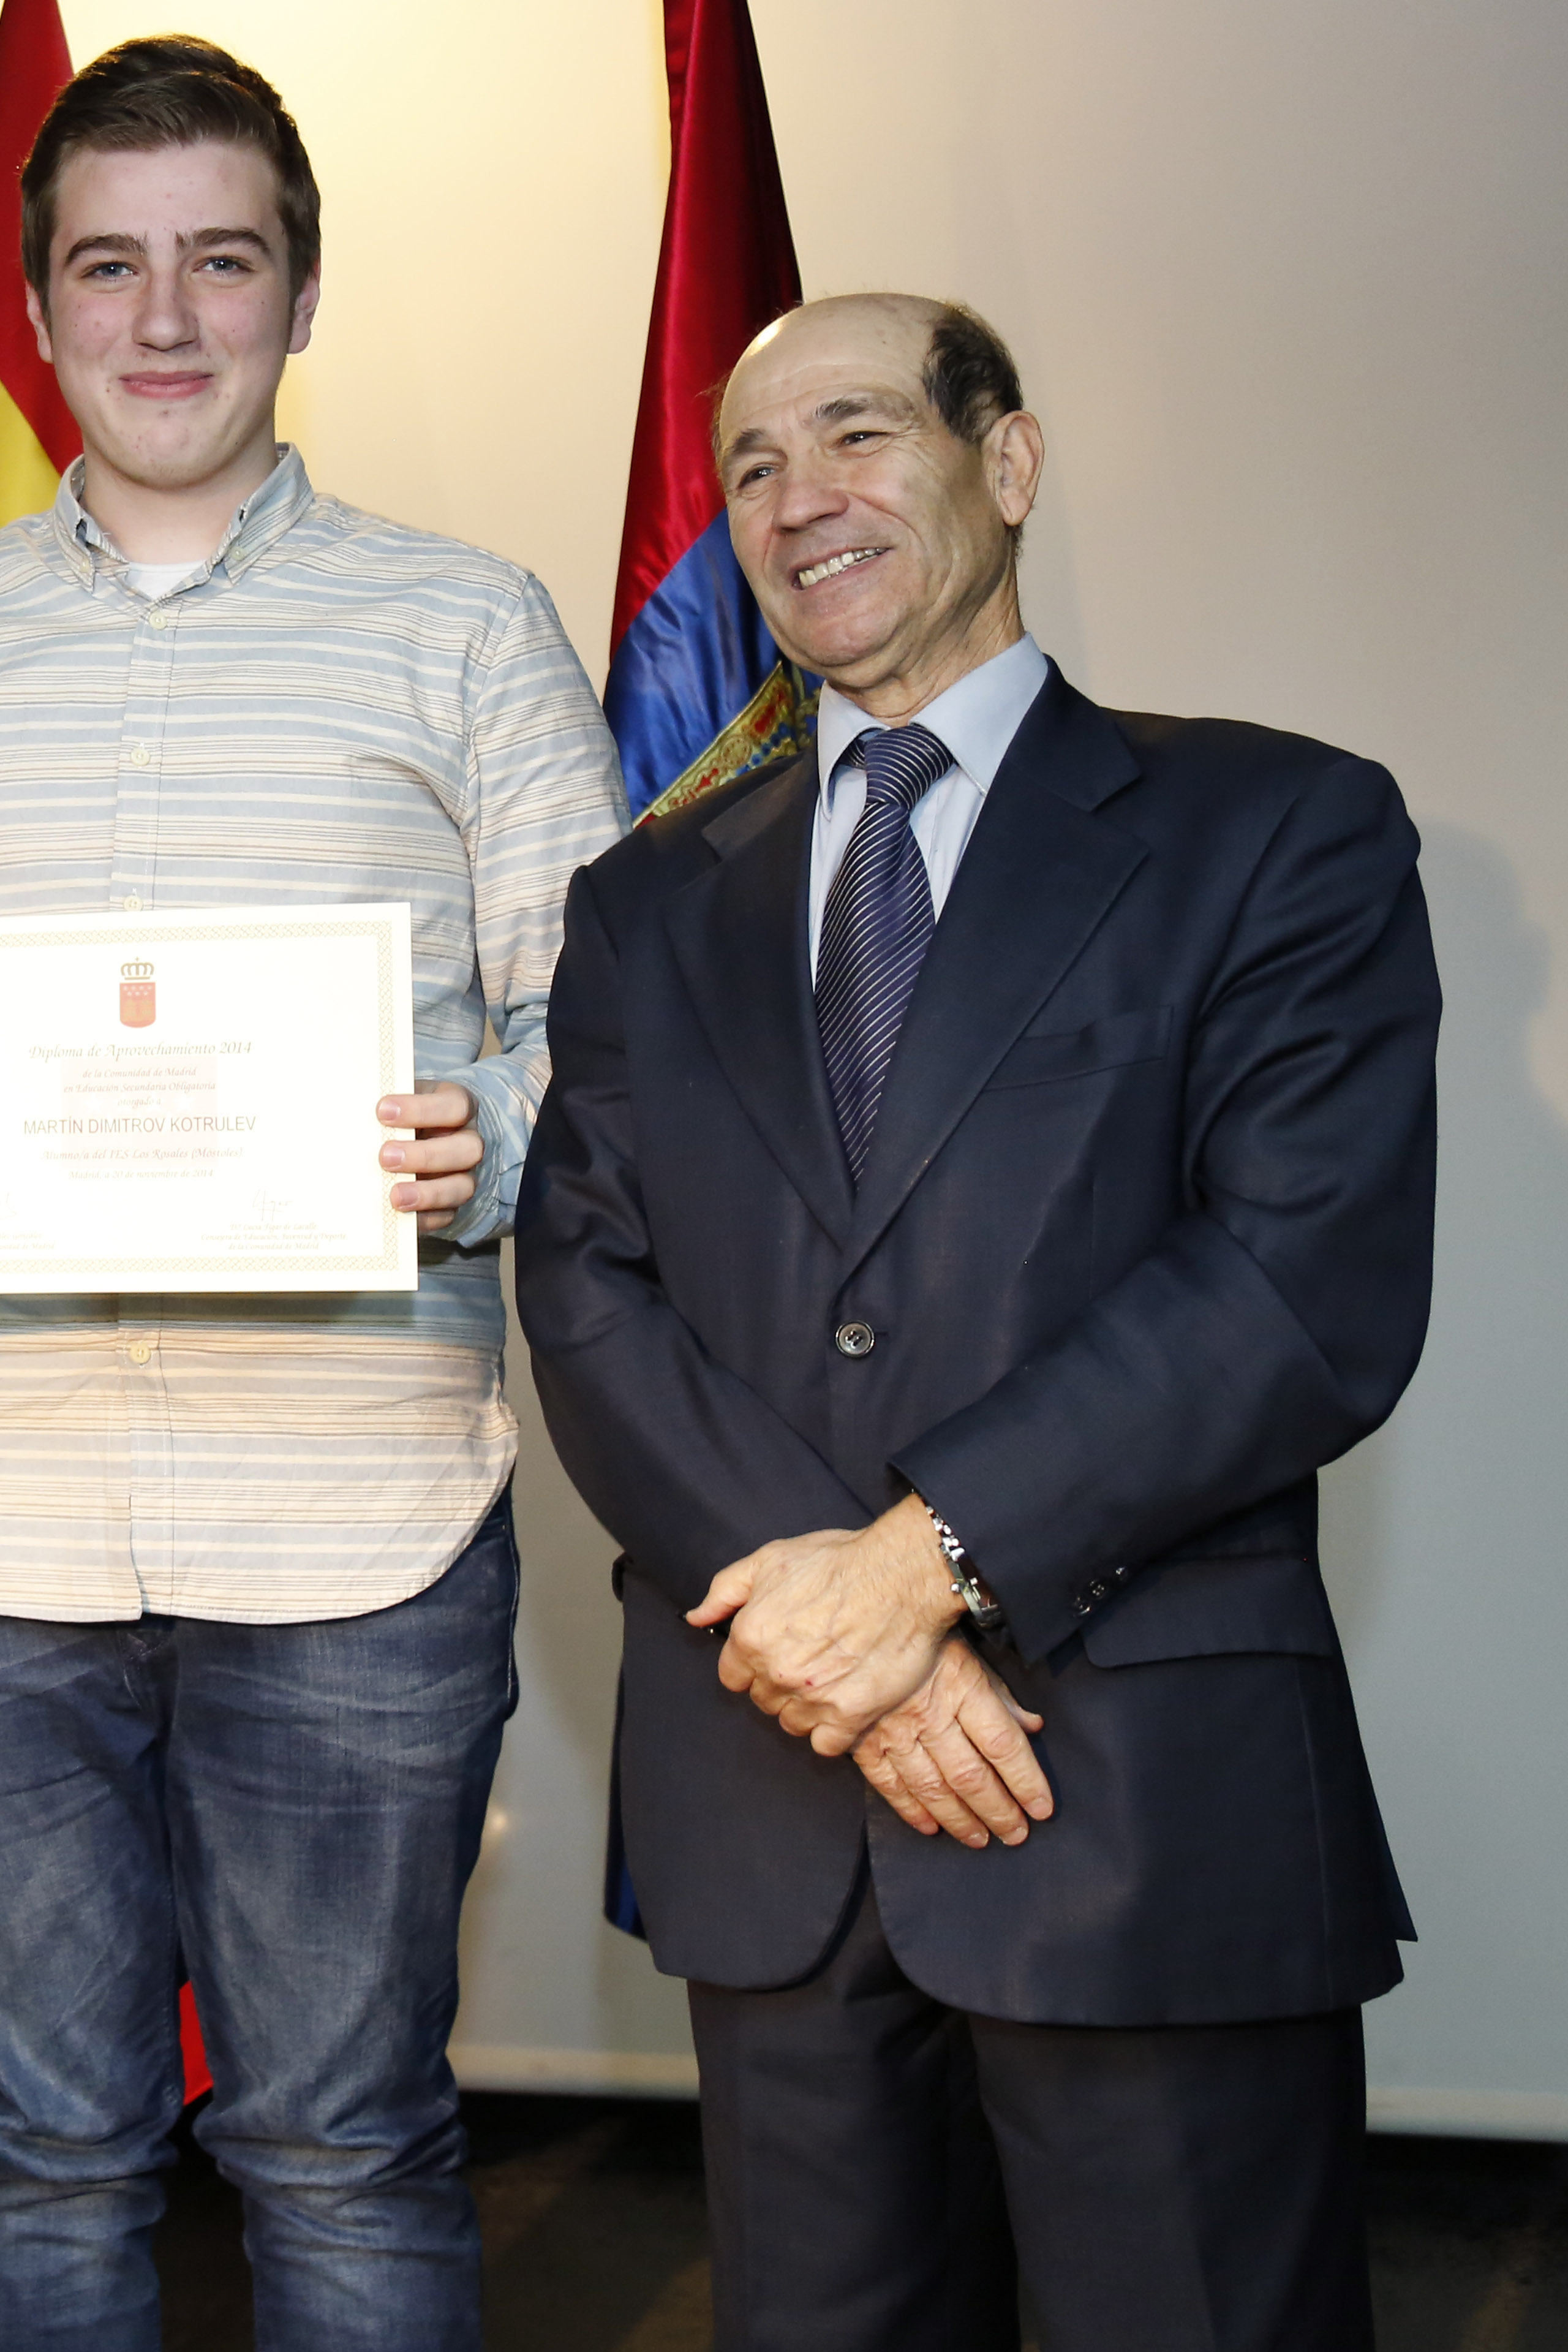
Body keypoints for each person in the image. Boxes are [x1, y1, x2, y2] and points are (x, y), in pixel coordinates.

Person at [0, 40, 625, 2349]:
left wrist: (490, 1134)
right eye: (109, 267)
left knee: (344, 2143)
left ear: (300, 297)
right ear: (38, 306)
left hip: (352, 1522)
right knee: (40, 2148)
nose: (163, 319)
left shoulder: (470, 627)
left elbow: (604, 1035)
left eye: (220, 262)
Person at [518, 292, 1436, 2351]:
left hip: (1135, 1794)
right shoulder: (645, 900)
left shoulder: (1274, 831)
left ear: (1006, 464)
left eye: (857, 433)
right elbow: (583, 1282)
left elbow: (1301, 1278)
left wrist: (923, 1565)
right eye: (753, 467)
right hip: (775, 1803)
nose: (797, 501)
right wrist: (837, 1631)